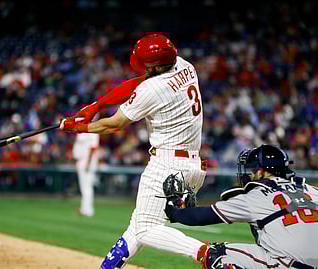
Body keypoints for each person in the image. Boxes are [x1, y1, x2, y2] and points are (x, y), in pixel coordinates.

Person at [60, 34, 209, 268]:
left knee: (146, 228)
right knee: (138, 225)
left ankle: (206, 253)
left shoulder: (154, 88)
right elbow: (138, 83)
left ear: (158, 65)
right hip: (191, 165)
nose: (143, 68)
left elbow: (114, 124)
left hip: (167, 165)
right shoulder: (184, 65)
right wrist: (97, 106)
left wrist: (79, 127)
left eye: (147, 64)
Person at [164, 144, 318, 269]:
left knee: (215, 254)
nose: (249, 174)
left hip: (291, 266)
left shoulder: (257, 195)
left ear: (261, 172)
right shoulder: (314, 191)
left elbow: (203, 217)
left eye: (252, 169)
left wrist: (174, 211)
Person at [73, 132, 99, 217]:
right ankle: (84, 209)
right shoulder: (81, 131)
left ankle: (88, 210)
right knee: (84, 188)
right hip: (82, 162)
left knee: (87, 188)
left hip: (88, 162)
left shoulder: (93, 131)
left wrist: (88, 163)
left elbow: (93, 147)